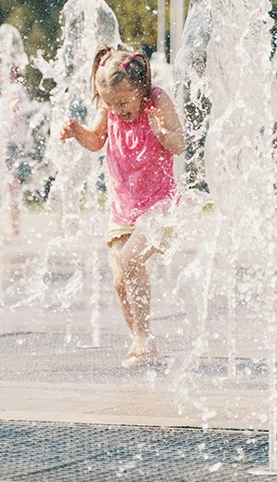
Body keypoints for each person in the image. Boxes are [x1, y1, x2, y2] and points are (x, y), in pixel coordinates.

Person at [60, 44, 186, 368]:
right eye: (111, 104)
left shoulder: (156, 100)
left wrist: (161, 132)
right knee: (119, 280)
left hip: (160, 205)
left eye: (123, 102)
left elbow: (179, 144)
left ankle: (143, 337)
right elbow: (96, 141)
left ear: (140, 87)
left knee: (131, 259)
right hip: (124, 208)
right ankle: (144, 344)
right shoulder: (110, 107)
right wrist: (77, 132)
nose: (118, 110)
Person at [0, 65, 33, 238]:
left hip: (10, 143)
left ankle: (12, 226)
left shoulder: (14, 89)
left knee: (9, 184)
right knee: (10, 183)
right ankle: (12, 224)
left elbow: (12, 113)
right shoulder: (20, 89)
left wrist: (3, 139)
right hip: (15, 142)